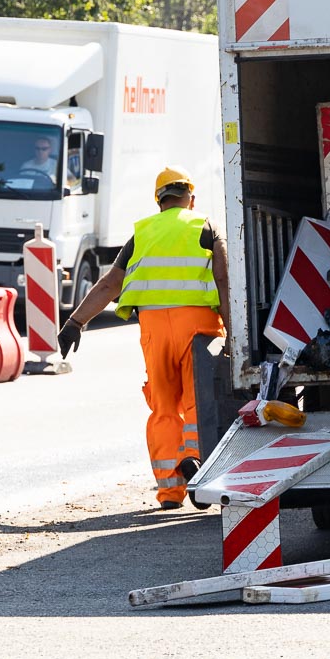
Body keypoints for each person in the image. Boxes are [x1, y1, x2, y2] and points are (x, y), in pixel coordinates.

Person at [58, 167, 228, 510]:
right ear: (190, 198)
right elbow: (223, 281)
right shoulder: (205, 227)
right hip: (199, 328)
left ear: (159, 201)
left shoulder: (141, 234)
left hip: (154, 330)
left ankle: (169, 492)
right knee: (199, 402)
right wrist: (236, 330)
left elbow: (108, 285)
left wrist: (75, 322)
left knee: (164, 407)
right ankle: (196, 460)